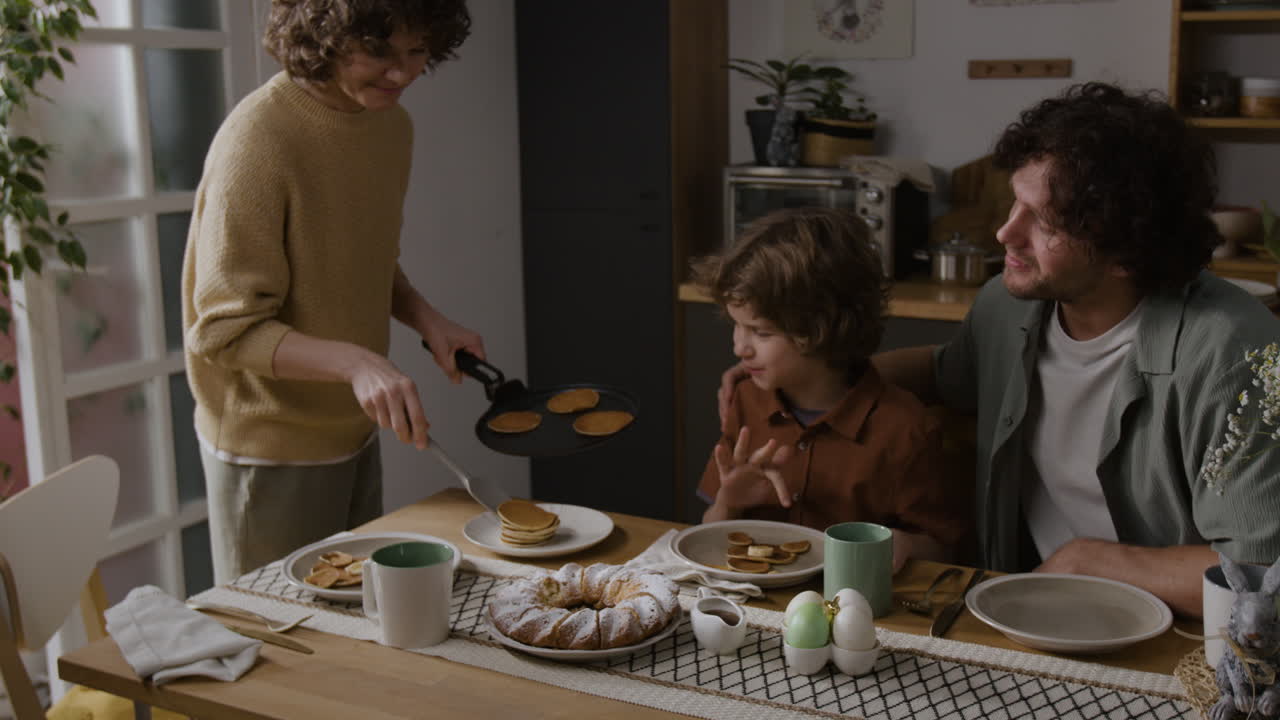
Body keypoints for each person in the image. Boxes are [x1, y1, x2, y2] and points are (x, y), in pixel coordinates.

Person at [718, 83, 1280, 617]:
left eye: (1045, 222)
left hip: (1178, 645)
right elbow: (944, 373)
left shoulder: (1236, 353)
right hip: (1019, 611)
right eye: (1016, 203)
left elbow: (1258, 570)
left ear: (1124, 251)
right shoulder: (1006, 307)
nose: (1006, 234)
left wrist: (1091, 560)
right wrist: (807, 376)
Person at [182, 0, 483, 584]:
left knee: (348, 633)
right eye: (378, 53)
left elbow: (361, 260)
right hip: (267, 447)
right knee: (279, 646)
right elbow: (223, 330)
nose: (402, 74)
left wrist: (427, 320)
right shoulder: (259, 139)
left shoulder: (391, 126)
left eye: (417, 50)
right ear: (323, 37)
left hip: (350, 427)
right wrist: (357, 362)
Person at [693, 208, 969, 572]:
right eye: (736, 326)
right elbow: (707, 536)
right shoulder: (744, 399)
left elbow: (945, 552)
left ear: (822, 329)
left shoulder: (906, 430)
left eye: (761, 332)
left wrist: (902, 545)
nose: (739, 347)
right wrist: (728, 503)